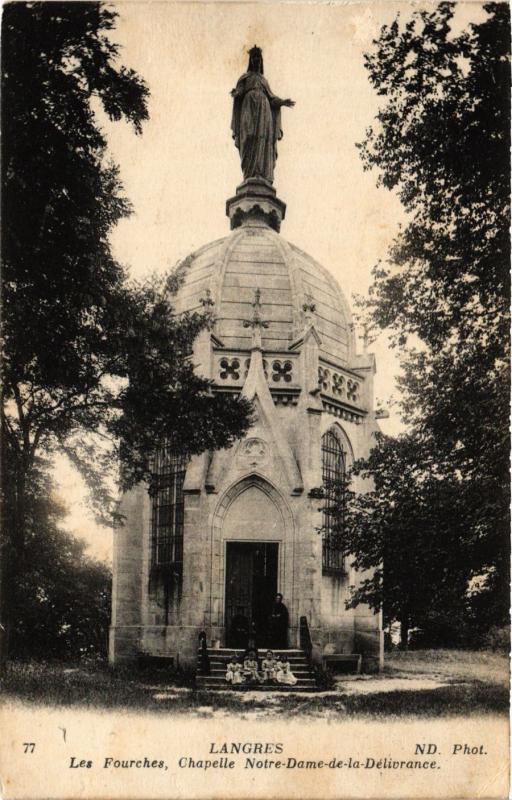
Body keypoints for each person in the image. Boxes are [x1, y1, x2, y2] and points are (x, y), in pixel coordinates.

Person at [231, 46, 294, 184]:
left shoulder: (264, 81)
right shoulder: (245, 78)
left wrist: (283, 102)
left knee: (262, 138)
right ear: (250, 60)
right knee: (248, 137)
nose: (257, 60)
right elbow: (239, 91)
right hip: (249, 109)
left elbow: (272, 99)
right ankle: (249, 174)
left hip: (263, 112)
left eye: (259, 58)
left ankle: (261, 173)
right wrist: (236, 93)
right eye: (254, 58)